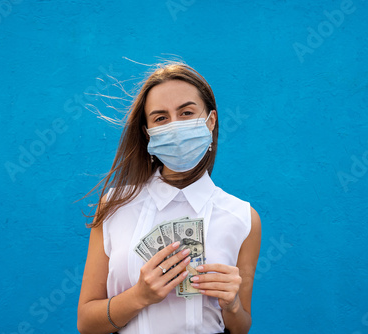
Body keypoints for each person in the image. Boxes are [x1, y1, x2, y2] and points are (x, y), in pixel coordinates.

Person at [77, 62, 262, 334]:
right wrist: (139, 295)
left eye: (187, 112)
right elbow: (86, 322)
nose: (175, 127)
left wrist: (232, 305)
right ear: (147, 132)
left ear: (211, 121)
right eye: (161, 118)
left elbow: (241, 326)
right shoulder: (114, 206)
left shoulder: (243, 218)